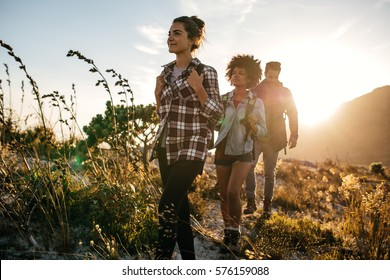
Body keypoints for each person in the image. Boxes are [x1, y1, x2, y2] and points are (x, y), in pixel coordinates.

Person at [150, 16, 223, 260]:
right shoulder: (166, 72)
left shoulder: (205, 72)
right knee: (180, 208)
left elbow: (218, 117)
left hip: (193, 144)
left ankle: (160, 261)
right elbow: (163, 115)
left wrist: (199, 89)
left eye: (177, 33)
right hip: (167, 145)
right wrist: (158, 95)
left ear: (193, 40)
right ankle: (190, 263)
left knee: (167, 204)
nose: (170, 37)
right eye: (169, 32)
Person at [214, 54, 267, 253]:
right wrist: (218, 121)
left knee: (232, 192)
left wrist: (254, 126)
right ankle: (227, 232)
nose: (236, 76)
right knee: (223, 194)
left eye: (241, 73)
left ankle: (235, 235)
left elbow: (264, 130)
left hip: (244, 151)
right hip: (223, 149)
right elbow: (217, 124)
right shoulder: (223, 99)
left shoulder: (257, 103)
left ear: (250, 78)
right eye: (234, 73)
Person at [243, 61, 298, 217]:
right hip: (255, 135)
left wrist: (294, 134)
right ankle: (251, 202)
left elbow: (293, 113)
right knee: (248, 167)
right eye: (269, 76)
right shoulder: (255, 91)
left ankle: (267, 206)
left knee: (269, 173)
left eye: (275, 76)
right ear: (265, 73)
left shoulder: (285, 92)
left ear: (279, 74)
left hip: (275, 138)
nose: (272, 79)